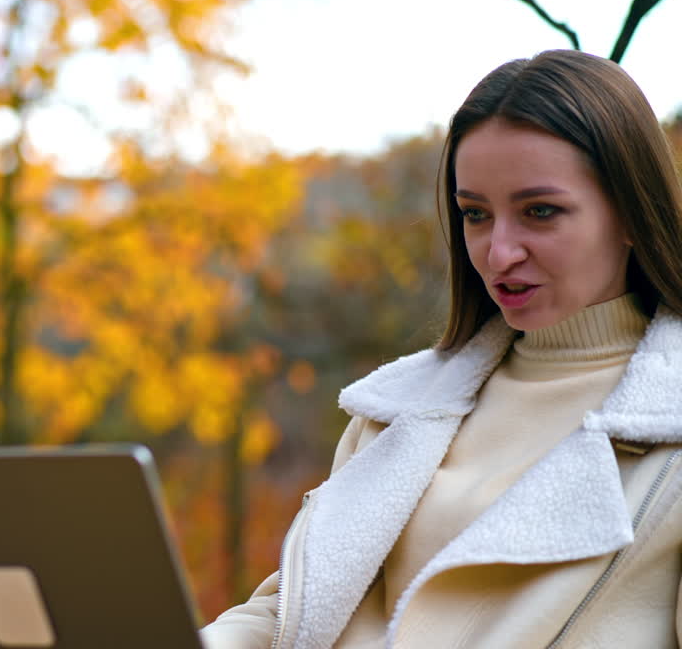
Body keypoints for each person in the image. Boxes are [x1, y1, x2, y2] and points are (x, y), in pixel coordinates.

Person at [200, 49, 682, 648]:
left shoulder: (671, 425)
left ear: (631, 212)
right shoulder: (396, 407)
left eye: (539, 211)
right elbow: (292, 616)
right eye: (475, 215)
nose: (498, 252)